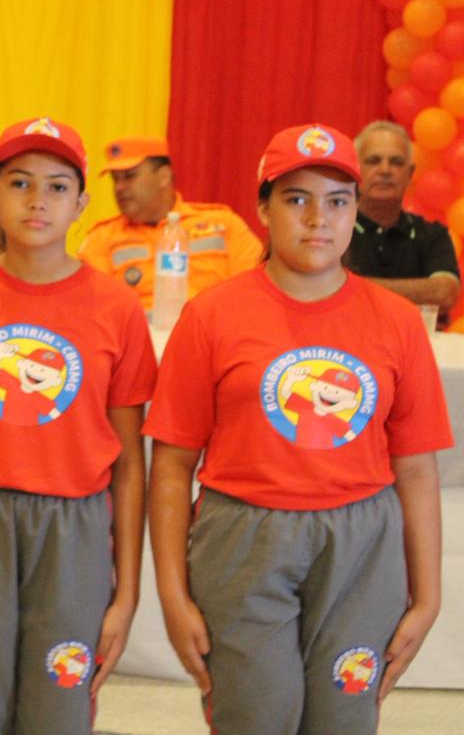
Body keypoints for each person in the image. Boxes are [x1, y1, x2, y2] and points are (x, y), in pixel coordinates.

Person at [146, 124, 452, 733]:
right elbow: (173, 466)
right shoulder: (212, 316)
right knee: (256, 715)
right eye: (296, 199)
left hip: (361, 545)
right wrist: (173, 597)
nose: (318, 219)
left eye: (337, 201)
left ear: (354, 211)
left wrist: (428, 596)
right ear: (264, 209)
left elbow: (417, 468)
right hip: (243, 538)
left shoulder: (395, 322)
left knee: (344, 717)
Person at [0, 116, 157, 733]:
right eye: (19, 183)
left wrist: (126, 592)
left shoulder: (117, 308)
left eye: (57, 186)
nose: (37, 199)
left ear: (81, 205)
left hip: (74, 528)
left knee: (59, 705)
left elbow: (128, 462)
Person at [78, 137, 262, 311]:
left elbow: (255, 291)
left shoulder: (224, 224)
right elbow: (91, 309)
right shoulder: (101, 239)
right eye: (115, 179)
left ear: (164, 176)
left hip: (214, 331)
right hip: (137, 334)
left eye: (129, 176)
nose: (119, 187)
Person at [344, 120, 460, 317]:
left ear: (410, 174)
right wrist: (420, 292)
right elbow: (319, 291)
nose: (385, 170)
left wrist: (352, 287)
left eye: (396, 162)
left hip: (415, 336)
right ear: (355, 169)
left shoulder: (433, 234)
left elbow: (444, 294)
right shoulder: (331, 230)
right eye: (373, 161)